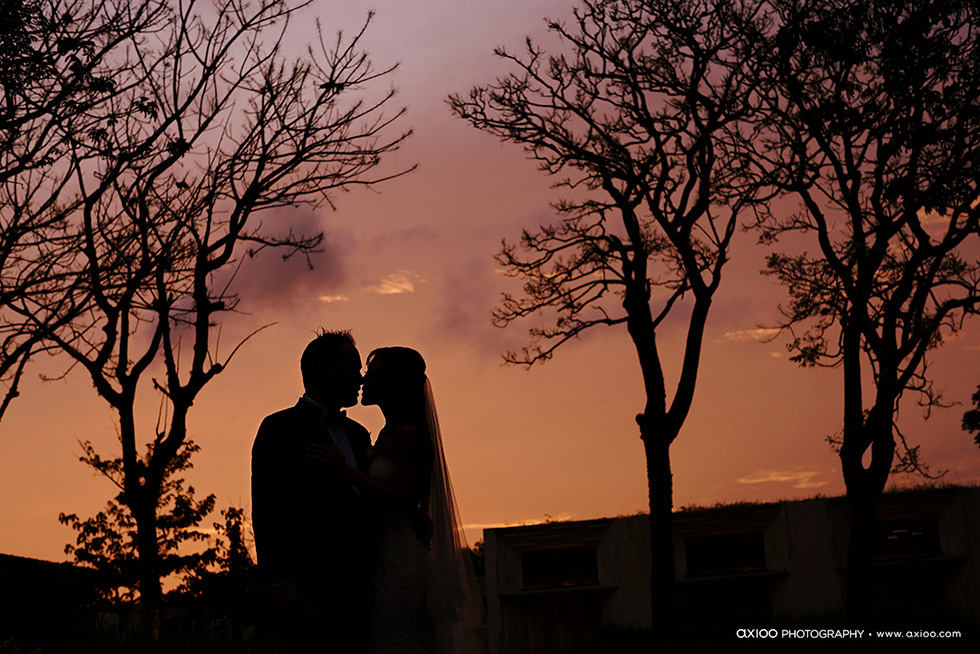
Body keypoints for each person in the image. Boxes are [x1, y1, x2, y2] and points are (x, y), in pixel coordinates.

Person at [324, 347, 480, 654]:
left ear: (396, 385)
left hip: (400, 555)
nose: (364, 380)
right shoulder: (384, 434)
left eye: (374, 374)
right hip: (379, 551)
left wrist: (346, 472)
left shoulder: (409, 434)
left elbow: (406, 498)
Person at [251, 329, 372, 653]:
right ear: (323, 369)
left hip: (363, 588)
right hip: (310, 586)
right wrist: (278, 582)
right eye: (353, 368)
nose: (360, 379)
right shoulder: (280, 428)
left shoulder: (359, 434)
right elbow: (268, 508)